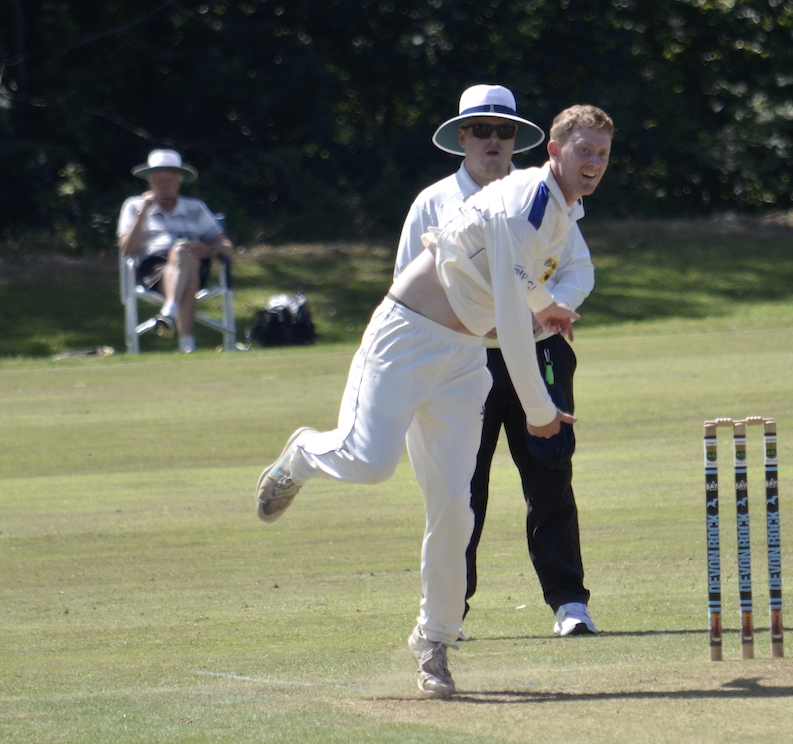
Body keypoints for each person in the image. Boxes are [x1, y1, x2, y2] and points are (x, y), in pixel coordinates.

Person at [255, 104, 614, 698]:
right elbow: (510, 313)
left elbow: (518, 285)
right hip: (409, 336)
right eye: (584, 151)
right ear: (554, 150)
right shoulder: (525, 201)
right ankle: (302, 454)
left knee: (454, 503)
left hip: (463, 358)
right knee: (371, 463)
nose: (594, 163)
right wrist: (541, 411)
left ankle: (434, 643)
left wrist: (544, 300)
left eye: (602, 153)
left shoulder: (560, 209)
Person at [395, 84, 597, 639]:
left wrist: (549, 311)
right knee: (463, 489)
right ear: (461, 137)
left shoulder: (544, 194)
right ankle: (449, 612)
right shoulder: (433, 202)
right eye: (480, 130)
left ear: (518, 139)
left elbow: (578, 269)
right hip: (462, 363)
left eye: (503, 131)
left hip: (538, 352)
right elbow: (406, 293)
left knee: (551, 473)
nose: (492, 141)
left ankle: (568, 603)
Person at [117, 149, 234, 353]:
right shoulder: (134, 205)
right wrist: (143, 213)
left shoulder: (195, 208)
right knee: (186, 272)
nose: (164, 186)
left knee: (183, 253)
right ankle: (187, 345)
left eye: (169, 180)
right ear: (150, 182)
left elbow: (227, 247)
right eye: (159, 180)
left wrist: (209, 249)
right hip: (155, 269)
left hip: (196, 263)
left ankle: (168, 312)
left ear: (179, 182)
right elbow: (127, 250)